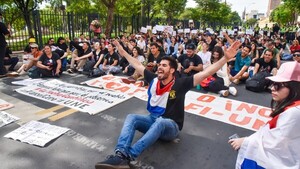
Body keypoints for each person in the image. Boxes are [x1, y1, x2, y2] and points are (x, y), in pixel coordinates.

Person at [94, 40, 241, 169]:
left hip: (171, 126)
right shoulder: (153, 79)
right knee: (132, 117)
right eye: (159, 64)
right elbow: (137, 63)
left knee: (161, 122)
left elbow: (205, 73)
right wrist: (122, 51)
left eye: (164, 65)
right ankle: (120, 154)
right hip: (153, 119)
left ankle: (128, 157)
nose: (159, 67)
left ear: (172, 70)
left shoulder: (181, 83)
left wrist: (224, 59)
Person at [229, 61, 300, 169]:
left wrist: (246, 142)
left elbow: (273, 144)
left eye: (279, 85)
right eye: (273, 84)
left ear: (294, 87)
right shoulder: (293, 108)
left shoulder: (294, 112)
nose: (272, 88)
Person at [0, 12, 10, 77]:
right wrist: (9, 29)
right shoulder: (1, 24)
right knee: (0, 57)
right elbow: (7, 33)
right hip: (1, 43)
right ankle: (2, 72)